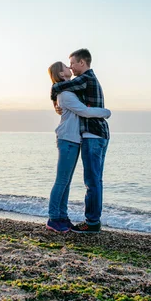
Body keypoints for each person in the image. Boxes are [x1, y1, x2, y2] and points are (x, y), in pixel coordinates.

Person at [46, 61, 111, 233]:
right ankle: (54, 218)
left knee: (66, 181)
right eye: (66, 67)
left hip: (73, 139)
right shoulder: (66, 95)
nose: (70, 68)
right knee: (62, 180)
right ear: (61, 74)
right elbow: (84, 111)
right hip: (68, 139)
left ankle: (62, 216)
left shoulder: (67, 90)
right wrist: (105, 112)